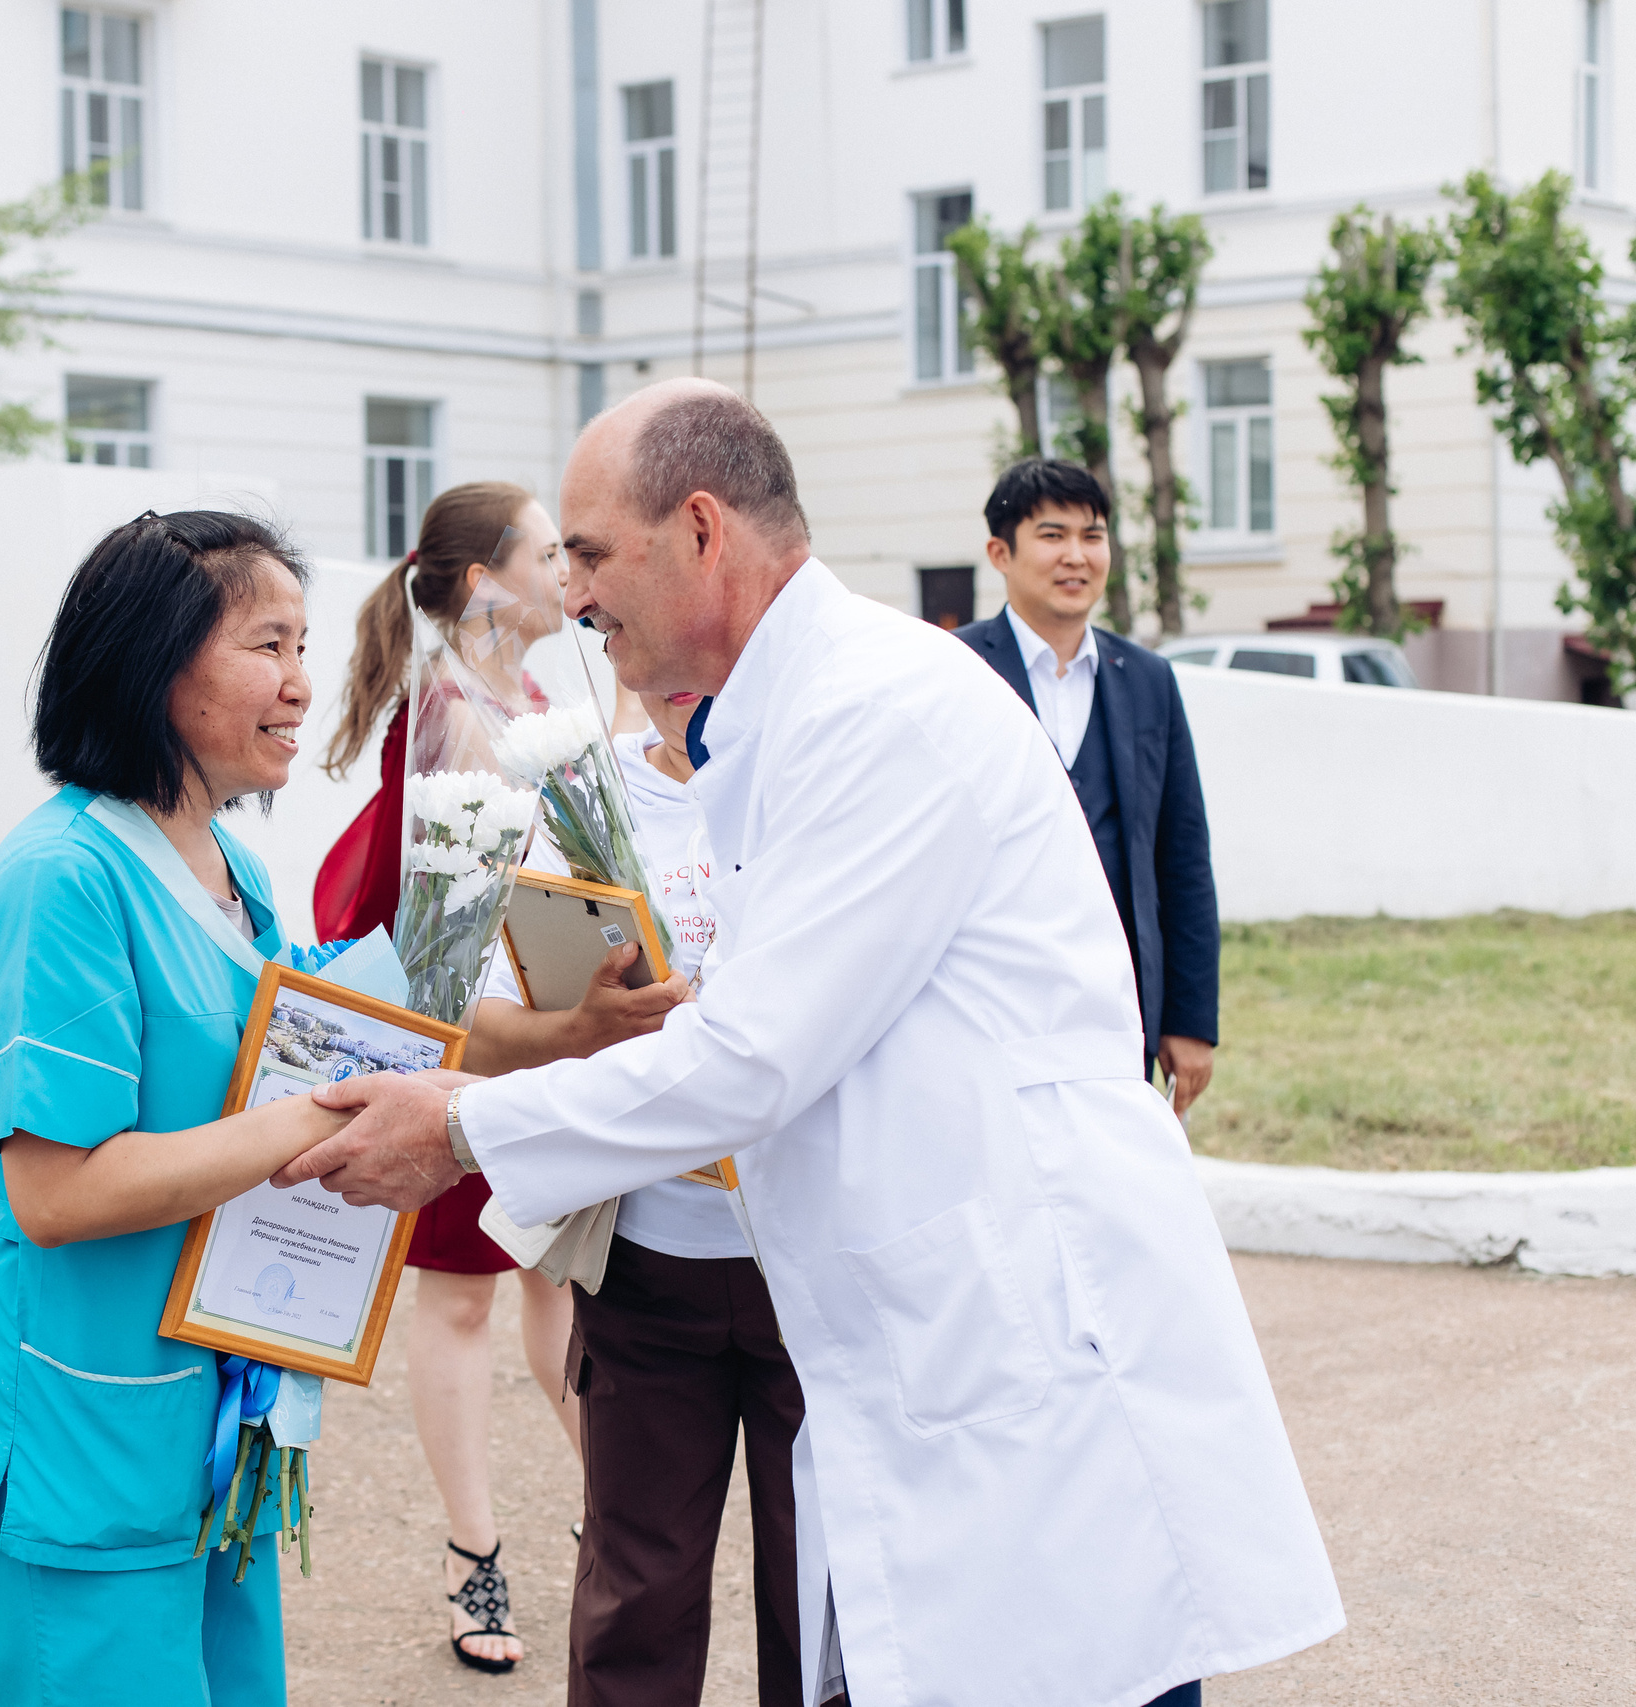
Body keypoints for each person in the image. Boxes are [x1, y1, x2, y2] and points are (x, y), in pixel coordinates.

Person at [280, 380, 1344, 1707]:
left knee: (1064, 1654)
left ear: (703, 531)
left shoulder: (876, 708)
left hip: (1016, 1327)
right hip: (926, 1319)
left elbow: (755, 1053)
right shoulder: (781, 718)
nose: (581, 596)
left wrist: (457, 1124)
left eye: (597, 555)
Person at [0, 510, 355, 1707]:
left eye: (302, 647)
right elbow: (58, 1192)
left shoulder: (230, 874)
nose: (301, 687)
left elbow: (314, 1040)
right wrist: (328, 1116)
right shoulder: (63, 878)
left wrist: (553, 1037)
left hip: (205, 1447)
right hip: (76, 1452)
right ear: (155, 666)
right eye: (269, 647)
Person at [314, 481, 682, 1672]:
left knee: (557, 1284)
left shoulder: (527, 698)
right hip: (470, 1044)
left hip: (551, 1031)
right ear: (482, 583)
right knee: (465, 1296)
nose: (566, 575)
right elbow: (440, 942)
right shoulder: (441, 718)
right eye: (545, 555)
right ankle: (476, 1566)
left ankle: (610, 1515)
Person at [478, 685, 806, 1707]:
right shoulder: (579, 796)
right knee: (636, 1597)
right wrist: (584, 1030)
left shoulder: (817, 778)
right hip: (647, 1264)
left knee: (830, 1595)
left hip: (809, 1262)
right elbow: (482, 1025)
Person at [959, 458, 1220, 1114]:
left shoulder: (1148, 680)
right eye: (1052, 535)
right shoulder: (956, 671)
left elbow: (1181, 856)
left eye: (1093, 535)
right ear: (1001, 552)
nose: (1077, 555)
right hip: (992, 1003)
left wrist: (1189, 1021)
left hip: (1119, 1005)